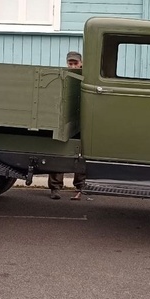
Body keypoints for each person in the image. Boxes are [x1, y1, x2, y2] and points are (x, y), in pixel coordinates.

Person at [49, 51, 87, 200]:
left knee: (81, 153)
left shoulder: (85, 77)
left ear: (81, 63)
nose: (72, 66)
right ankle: (55, 187)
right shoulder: (62, 77)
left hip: (81, 120)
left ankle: (80, 184)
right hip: (66, 120)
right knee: (60, 152)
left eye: (75, 63)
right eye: (70, 63)